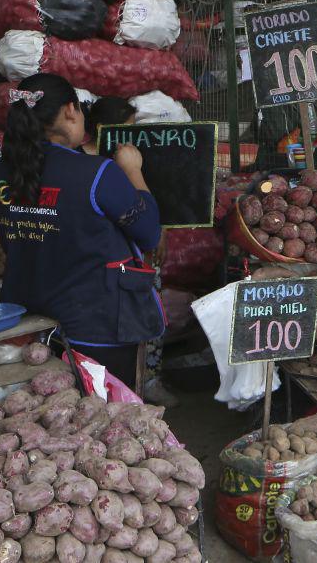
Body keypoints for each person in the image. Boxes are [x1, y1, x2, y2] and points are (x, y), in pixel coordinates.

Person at [0, 74, 164, 388]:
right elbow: (150, 232)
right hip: (96, 323)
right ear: (70, 110)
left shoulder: (2, 169)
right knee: (107, 413)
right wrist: (134, 171)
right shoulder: (98, 173)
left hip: (29, 319)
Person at [78, 96, 179, 407]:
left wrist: (156, 233)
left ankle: (148, 379)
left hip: (137, 252)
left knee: (148, 314)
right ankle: (110, 386)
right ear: (102, 129)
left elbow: (148, 206)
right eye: (128, 129)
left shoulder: (131, 158)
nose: (132, 136)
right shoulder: (88, 164)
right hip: (107, 261)